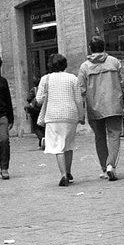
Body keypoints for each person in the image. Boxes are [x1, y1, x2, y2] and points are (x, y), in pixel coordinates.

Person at [78, 35, 124, 181]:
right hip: (114, 104)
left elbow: (81, 90)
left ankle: (104, 169)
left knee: (99, 137)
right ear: (104, 47)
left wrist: (82, 111)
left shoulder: (85, 66)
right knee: (114, 135)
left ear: (90, 49)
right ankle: (111, 165)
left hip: (94, 107)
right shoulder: (114, 62)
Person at [34, 53, 85, 186]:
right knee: (68, 144)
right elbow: (79, 100)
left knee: (58, 146)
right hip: (70, 115)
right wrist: (81, 116)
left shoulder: (46, 79)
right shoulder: (72, 78)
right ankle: (68, 172)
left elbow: (39, 100)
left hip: (53, 116)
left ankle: (63, 176)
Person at [24, 82, 45, 149]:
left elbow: (28, 98)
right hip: (43, 110)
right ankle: (41, 143)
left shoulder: (34, 89)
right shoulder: (45, 90)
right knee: (43, 126)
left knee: (36, 127)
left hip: (34, 111)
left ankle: (42, 138)